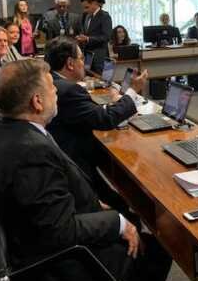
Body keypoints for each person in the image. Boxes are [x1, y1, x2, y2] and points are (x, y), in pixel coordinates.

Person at [0, 59, 171, 281]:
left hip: (32, 239)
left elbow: (43, 202)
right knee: (159, 251)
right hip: (60, 265)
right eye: (51, 88)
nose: (56, 91)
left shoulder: (2, 131)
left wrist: (92, 202)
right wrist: (118, 223)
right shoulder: (30, 152)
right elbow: (60, 232)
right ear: (37, 101)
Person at [45, 36, 147, 210]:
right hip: (76, 166)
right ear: (70, 63)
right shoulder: (68, 90)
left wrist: (111, 106)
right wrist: (133, 91)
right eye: (81, 58)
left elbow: (90, 114)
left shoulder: (55, 82)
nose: (84, 64)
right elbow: (105, 119)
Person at [77, 0, 112, 73]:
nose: (85, 10)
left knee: (101, 78)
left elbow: (106, 37)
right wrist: (81, 38)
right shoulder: (87, 16)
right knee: (88, 77)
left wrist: (88, 39)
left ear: (94, 3)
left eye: (87, 7)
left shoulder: (104, 16)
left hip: (99, 56)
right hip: (88, 56)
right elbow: (87, 32)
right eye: (84, 8)